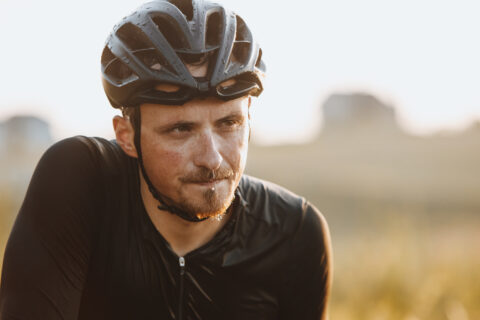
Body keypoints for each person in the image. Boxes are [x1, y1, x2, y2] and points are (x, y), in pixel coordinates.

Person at [0, 0, 333, 319]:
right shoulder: (78, 184)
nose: (211, 158)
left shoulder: (295, 235)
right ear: (126, 135)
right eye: (180, 129)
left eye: (229, 123)